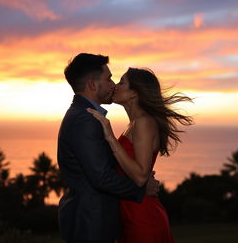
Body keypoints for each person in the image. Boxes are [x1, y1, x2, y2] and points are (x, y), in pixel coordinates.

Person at [57, 53, 159, 243]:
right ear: (93, 85)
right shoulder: (85, 120)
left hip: (100, 220)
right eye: (109, 78)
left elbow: (106, 165)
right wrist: (141, 189)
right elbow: (101, 177)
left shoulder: (87, 116)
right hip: (91, 223)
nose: (113, 84)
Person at [88, 67, 193, 243]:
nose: (115, 86)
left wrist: (110, 137)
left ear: (134, 94)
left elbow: (140, 176)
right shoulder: (134, 124)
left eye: (121, 82)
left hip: (142, 216)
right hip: (129, 213)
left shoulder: (144, 122)